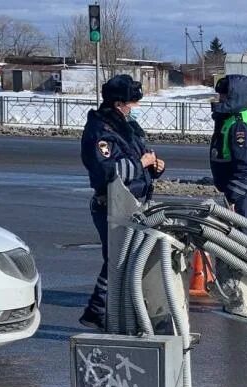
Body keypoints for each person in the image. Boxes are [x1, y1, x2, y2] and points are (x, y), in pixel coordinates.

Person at [79, 74, 164, 329]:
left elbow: (138, 161)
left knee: (127, 258)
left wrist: (154, 168)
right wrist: (141, 164)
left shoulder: (127, 129)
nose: (135, 109)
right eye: (132, 104)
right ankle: (100, 311)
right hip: (111, 205)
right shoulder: (100, 131)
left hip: (131, 203)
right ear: (118, 105)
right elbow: (108, 172)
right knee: (118, 259)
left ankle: (113, 311)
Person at [209, 74, 247, 222]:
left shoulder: (239, 125)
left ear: (235, 96)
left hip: (245, 192)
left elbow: (244, 168)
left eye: (223, 94)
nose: (219, 98)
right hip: (241, 189)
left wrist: (233, 197)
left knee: (244, 236)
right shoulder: (232, 118)